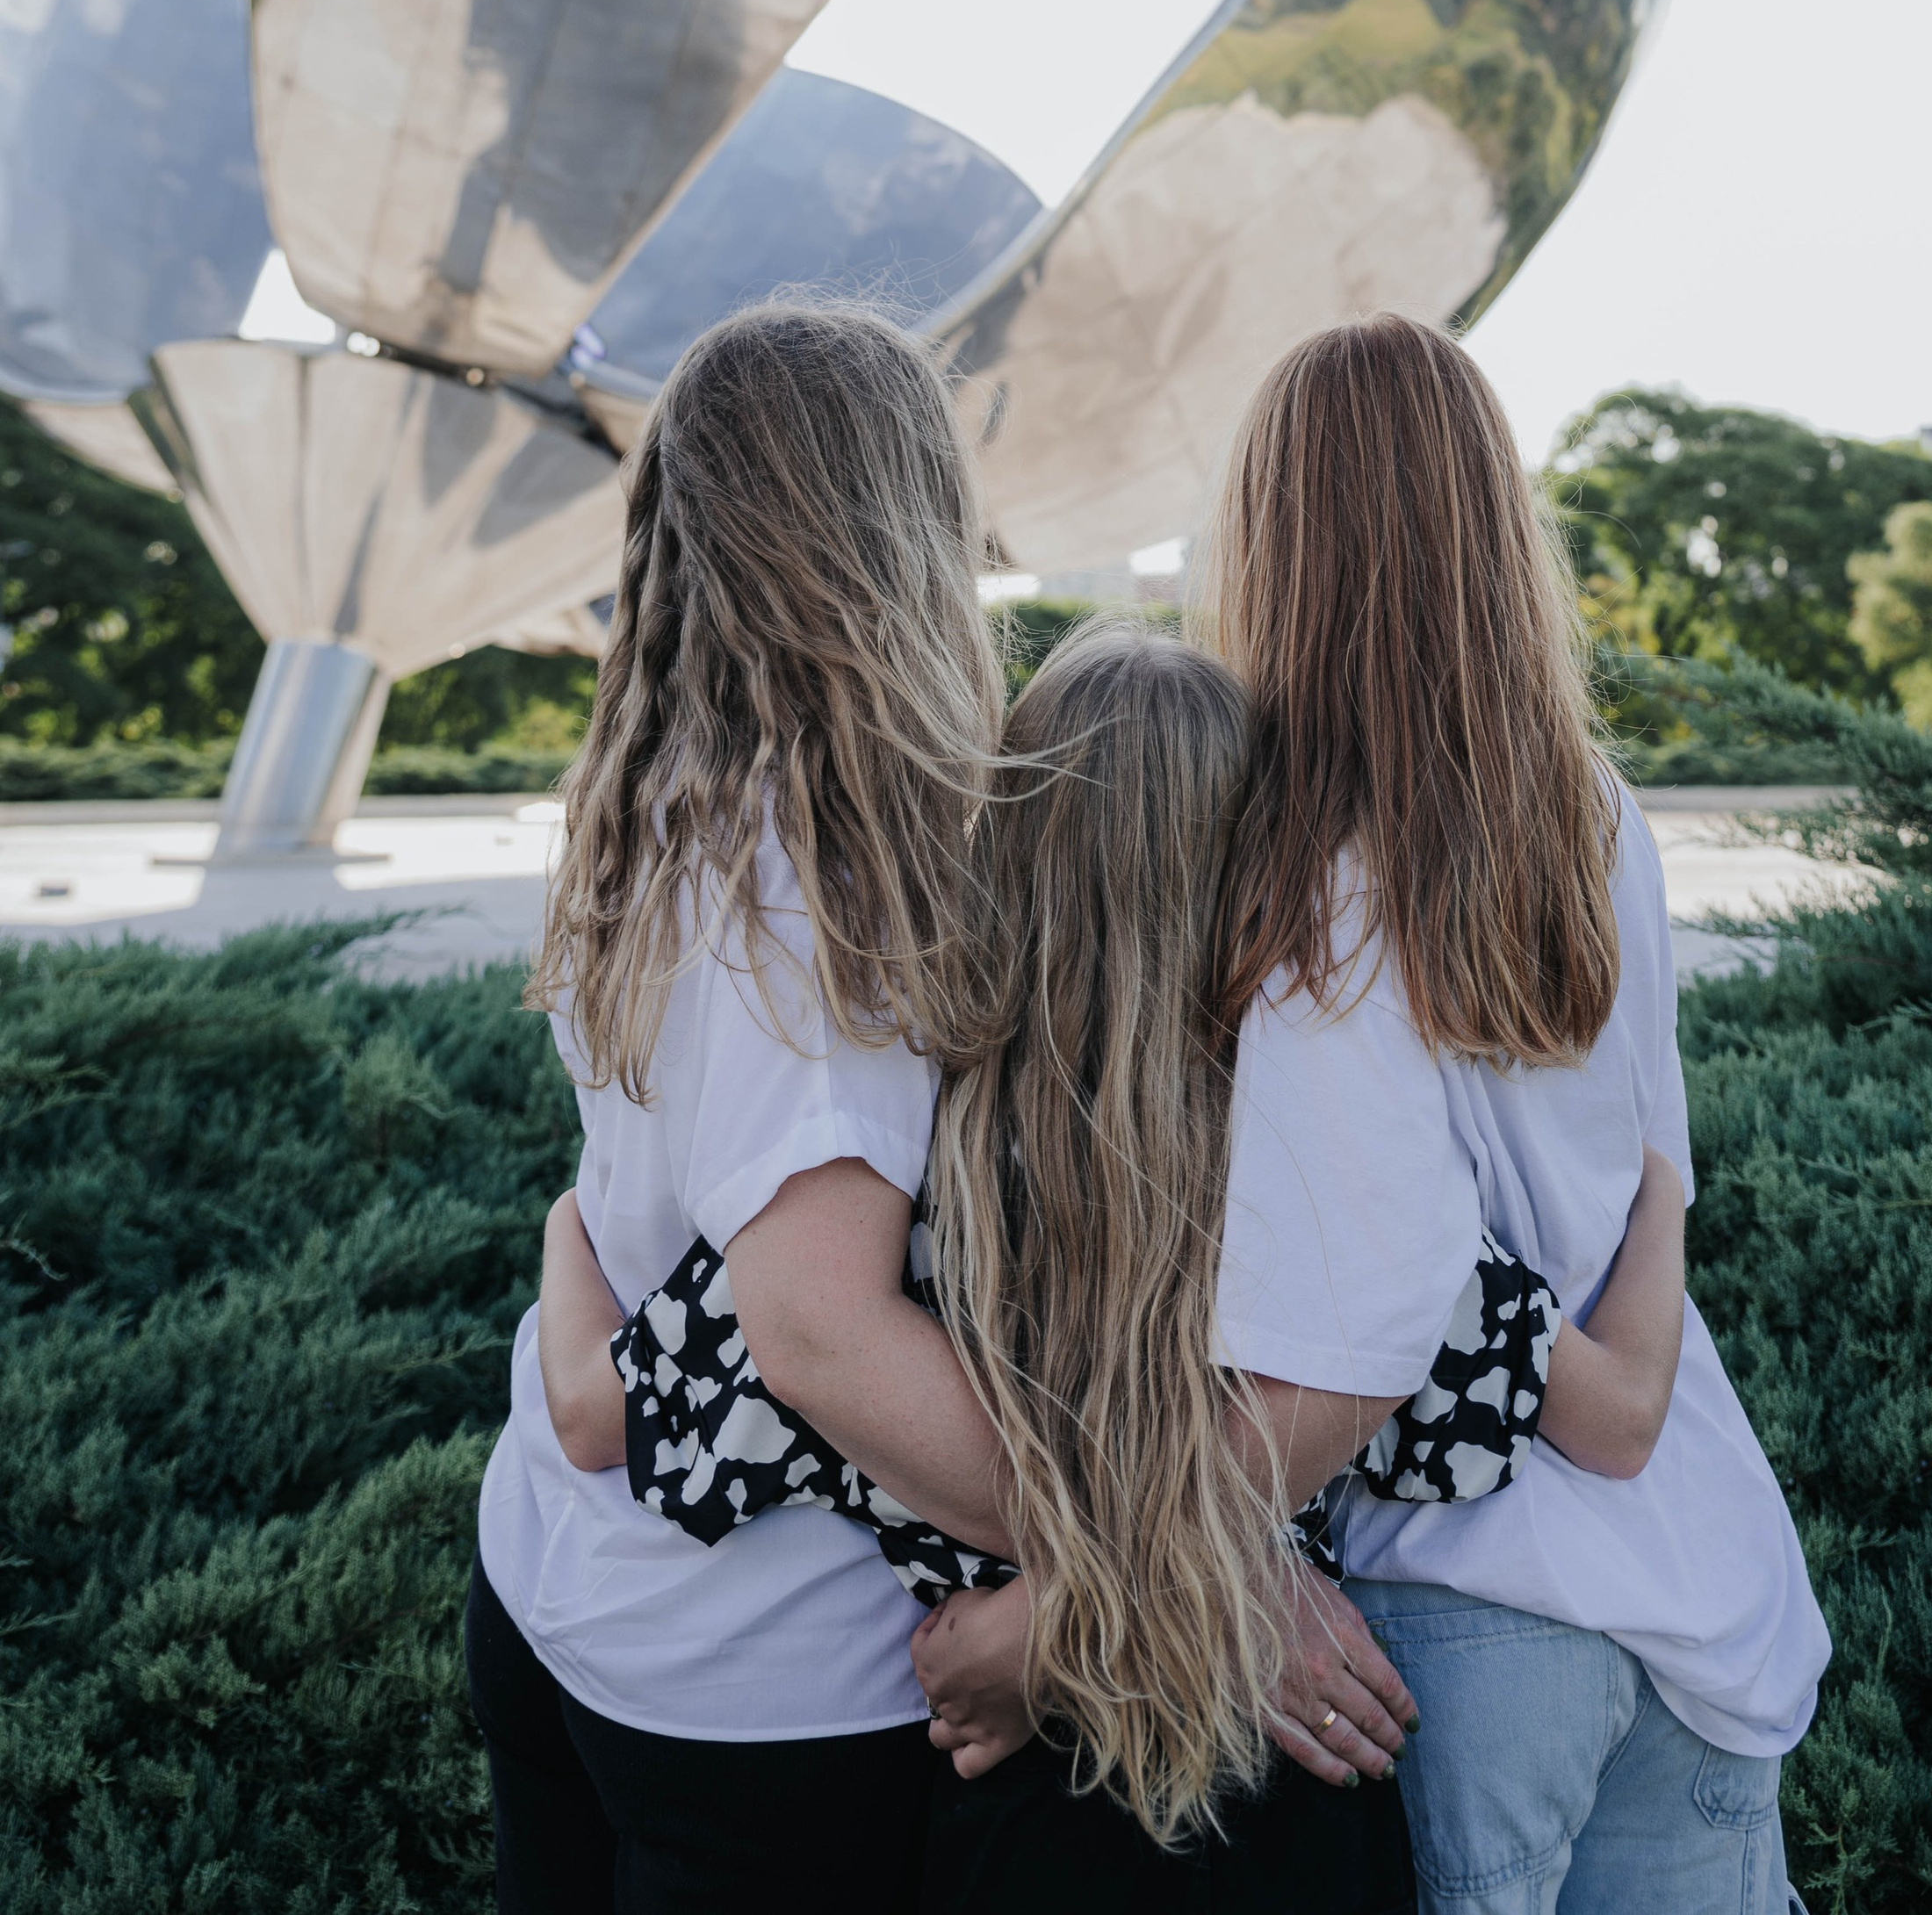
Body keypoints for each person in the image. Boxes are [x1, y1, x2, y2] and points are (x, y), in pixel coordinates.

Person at [546, 614, 1690, 1908]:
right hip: (1289, 1800)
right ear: (1269, 875)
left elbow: (592, 1413)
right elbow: (1617, 1414)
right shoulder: (1344, 1186)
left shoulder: (882, 1207)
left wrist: (564, 1226)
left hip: (1024, 1829)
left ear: (1009, 849)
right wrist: (1663, 1190)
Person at [1192, 313, 1830, 1915]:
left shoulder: (1309, 884)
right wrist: (1606, 1384)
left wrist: (1175, 1554)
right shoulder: (1598, 813)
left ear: (1271, 546)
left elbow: (1375, 1304)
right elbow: (1657, 1181)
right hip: (1689, 1579)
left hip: (1463, 1606)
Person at [468, 302, 1027, 1915]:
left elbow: (616, 1201)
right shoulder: (817, 863)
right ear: (895, 524)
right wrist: (1153, 1581)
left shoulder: (661, 802)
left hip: (567, 1581)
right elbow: (819, 1328)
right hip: (759, 1688)